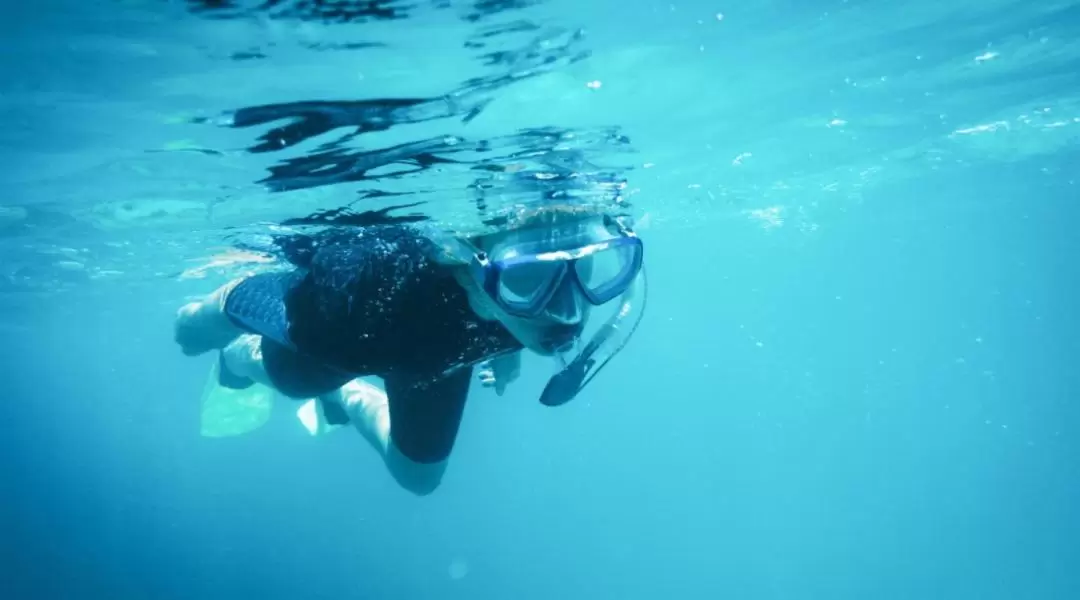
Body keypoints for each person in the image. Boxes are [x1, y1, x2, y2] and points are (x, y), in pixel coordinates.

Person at [174, 204, 647, 495]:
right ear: (462, 261)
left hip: (435, 363)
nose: (569, 314)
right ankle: (237, 355)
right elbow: (236, 314)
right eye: (527, 278)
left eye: (586, 269)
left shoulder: (520, 295)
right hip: (352, 339)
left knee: (419, 480)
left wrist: (510, 348)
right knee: (297, 380)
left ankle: (344, 397)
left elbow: (538, 290)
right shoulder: (355, 301)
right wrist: (199, 321)